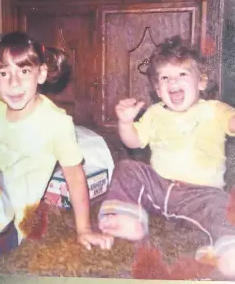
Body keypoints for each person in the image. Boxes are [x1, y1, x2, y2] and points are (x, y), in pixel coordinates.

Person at [0, 31, 113, 251]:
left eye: (24, 71)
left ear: (41, 74)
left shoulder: (55, 122)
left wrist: (84, 229)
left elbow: (75, 177)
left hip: (7, 224)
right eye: (4, 74)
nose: (15, 83)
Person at [98, 40, 235, 277]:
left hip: (203, 193)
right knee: (127, 168)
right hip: (159, 188)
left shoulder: (214, 110)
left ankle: (228, 250)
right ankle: (127, 217)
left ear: (201, 82)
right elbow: (133, 141)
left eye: (182, 74)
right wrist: (125, 122)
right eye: (164, 78)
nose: (173, 82)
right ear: (158, 90)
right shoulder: (153, 114)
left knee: (223, 208)